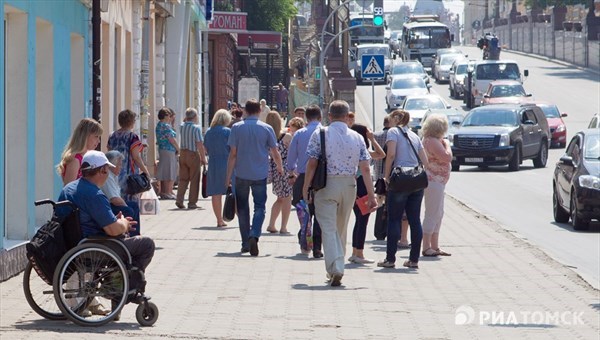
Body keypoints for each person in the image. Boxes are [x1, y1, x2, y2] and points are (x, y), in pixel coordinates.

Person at [58, 150, 155, 314]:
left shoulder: (69, 188)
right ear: (102, 171)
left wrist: (114, 220)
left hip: (74, 243)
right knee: (146, 244)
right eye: (107, 170)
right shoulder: (95, 194)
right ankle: (122, 292)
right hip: (95, 246)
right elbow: (112, 229)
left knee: (124, 243)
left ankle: (117, 288)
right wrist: (123, 223)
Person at [302, 100, 378, 287]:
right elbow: (366, 169)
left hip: (326, 185)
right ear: (347, 116)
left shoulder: (320, 134)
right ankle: (337, 264)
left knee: (328, 228)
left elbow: (312, 163)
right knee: (341, 228)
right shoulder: (357, 137)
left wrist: (305, 187)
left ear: (329, 116)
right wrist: (371, 194)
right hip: (349, 185)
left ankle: (336, 268)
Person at [226, 99, 283, 256]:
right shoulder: (267, 128)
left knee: (243, 208)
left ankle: (245, 242)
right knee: (260, 207)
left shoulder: (236, 128)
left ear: (245, 111)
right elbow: (274, 151)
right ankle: (255, 234)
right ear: (259, 111)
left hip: (241, 173)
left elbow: (233, 154)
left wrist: (228, 176)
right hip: (259, 174)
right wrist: (280, 167)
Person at [378, 109, 429, 269]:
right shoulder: (414, 135)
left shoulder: (393, 132)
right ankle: (413, 259)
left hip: (400, 179)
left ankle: (390, 259)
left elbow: (391, 155)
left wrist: (386, 175)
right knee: (414, 219)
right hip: (416, 180)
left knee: (394, 219)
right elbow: (425, 161)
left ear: (395, 118)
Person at [287, 105, 324, 259]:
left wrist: (292, 172)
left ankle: (304, 238)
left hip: (302, 176)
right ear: (320, 117)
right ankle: (317, 247)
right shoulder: (326, 133)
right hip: (322, 177)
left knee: (304, 210)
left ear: (306, 118)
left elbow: (290, 159)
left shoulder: (299, 133)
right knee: (320, 213)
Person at [107, 109, 149, 235]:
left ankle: (120, 229)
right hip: (128, 176)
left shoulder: (112, 135)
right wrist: (146, 172)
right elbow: (136, 156)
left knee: (118, 204)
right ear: (131, 122)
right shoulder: (132, 136)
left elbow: (109, 151)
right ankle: (133, 232)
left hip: (113, 174)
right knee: (131, 205)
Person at [348, 124, 385, 264]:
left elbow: (381, 154)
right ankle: (359, 254)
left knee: (359, 220)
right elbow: (381, 155)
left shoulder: (354, 148)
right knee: (363, 220)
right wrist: (372, 139)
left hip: (354, 185)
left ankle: (355, 252)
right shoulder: (362, 150)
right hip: (362, 186)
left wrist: (373, 139)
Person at [373, 117, 410, 245]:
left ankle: (379, 232)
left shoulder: (376, 135)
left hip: (380, 175)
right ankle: (397, 234)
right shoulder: (401, 136)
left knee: (381, 205)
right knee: (396, 207)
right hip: (396, 176)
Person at [421, 114, 453, 257]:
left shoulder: (431, 140)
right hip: (433, 180)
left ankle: (435, 246)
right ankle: (426, 246)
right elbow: (447, 157)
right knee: (432, 213)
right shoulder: (433, 141)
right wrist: (447, 145)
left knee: (438, 213)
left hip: (438, 181)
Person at [265, 111, 293, 234]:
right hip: (285, 168)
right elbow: (292, 154)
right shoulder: (286, 136)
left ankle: (271, 224)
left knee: (280, 198)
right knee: (287, 198)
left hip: (274, 169)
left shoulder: (266, 137)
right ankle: (283, 227)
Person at [203, 109, 232, 227]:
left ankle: (219, 220)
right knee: (233, 191)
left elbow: (206, 148)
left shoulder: (209, 132)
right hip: (226, 162)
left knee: (216, 193)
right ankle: (240, 217)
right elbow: (233, 148)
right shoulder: (227, 131)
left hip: (213, 163)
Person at [176, 108, 207, 210]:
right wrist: (203, 158)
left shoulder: (182, 126)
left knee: (183, 178)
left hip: (183, 153)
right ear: (195, 116)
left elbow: (184, 122)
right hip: (192, 154)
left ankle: (179, 200)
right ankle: (192, 202)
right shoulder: (196, 128)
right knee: (194, 179)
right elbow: (199, 144)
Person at [56, 118, 103, 185]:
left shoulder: (86, 157)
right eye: (96, 136)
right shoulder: (75, 159)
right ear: (85, 136)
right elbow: (69, 189)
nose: (98, 141)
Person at [101, 150, 139, 225]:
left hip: (111, 204)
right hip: (106, 206)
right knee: (128, 210)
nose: (121, 168)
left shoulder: (114, 175)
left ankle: (135, 233)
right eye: (119, 165)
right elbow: (114, 199)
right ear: (112, 165)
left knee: (134, 205)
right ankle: (127, 232)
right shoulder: (108, 176)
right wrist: (126, 206)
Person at [155, 107, 180, 199]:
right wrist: (178, 148)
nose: (170, 117)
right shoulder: (165, 126)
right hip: (168, 149)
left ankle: (166, 191)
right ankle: (167, 192)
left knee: (167, 170)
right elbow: (171, 139)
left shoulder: (160, 125)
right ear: (165, 116)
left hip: (163, 149)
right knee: (169, 171)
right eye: (169, 115)